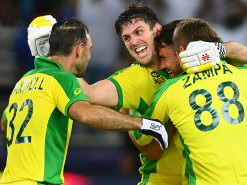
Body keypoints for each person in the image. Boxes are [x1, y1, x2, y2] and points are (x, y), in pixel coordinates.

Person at [78, 3, 247, 185]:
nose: (133, 41)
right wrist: (57, 66)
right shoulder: (132, 79)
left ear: (157, 30)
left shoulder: (189, 53)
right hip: (164, 179)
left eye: (139, 32)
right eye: (127, 38)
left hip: (202, 178)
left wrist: (218, 49)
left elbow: (246, 53)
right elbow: (153, 152)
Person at [0, 16, 168, 185]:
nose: (89, 57)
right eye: (90, 49)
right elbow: (86, 114)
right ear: (79, 50)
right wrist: (144, 124)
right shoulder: (62, 78)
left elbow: (5, 123)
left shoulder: (23, 81)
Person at [143, 17, 247, 184]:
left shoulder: (170, 89)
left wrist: (128, 111)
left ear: (181, 50)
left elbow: (144, 137)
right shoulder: (241, 72)